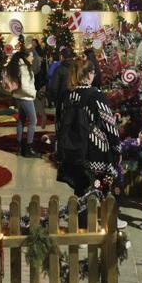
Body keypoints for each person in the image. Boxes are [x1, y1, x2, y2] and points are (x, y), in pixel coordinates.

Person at [55, 61, 120, 196]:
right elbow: (109, 124)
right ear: (89, 74)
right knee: (98, 191)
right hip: (94, 151)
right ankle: (95, 215)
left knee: (80, 190)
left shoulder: (66, 95)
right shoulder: (96, 95)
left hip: (72, 151)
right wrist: (116, 148)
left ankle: (81, 216)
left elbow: (59, 123)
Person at [5, 49, 39, 157]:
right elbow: (25, 86)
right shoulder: (24, 68)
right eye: (31, 56)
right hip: (26, 97)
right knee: (33, 121)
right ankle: (28, 148)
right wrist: (34, 93)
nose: (32, 58)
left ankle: (19, 146)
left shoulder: (18, 66)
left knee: (21, 120)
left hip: (19, 97)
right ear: (26, 57)